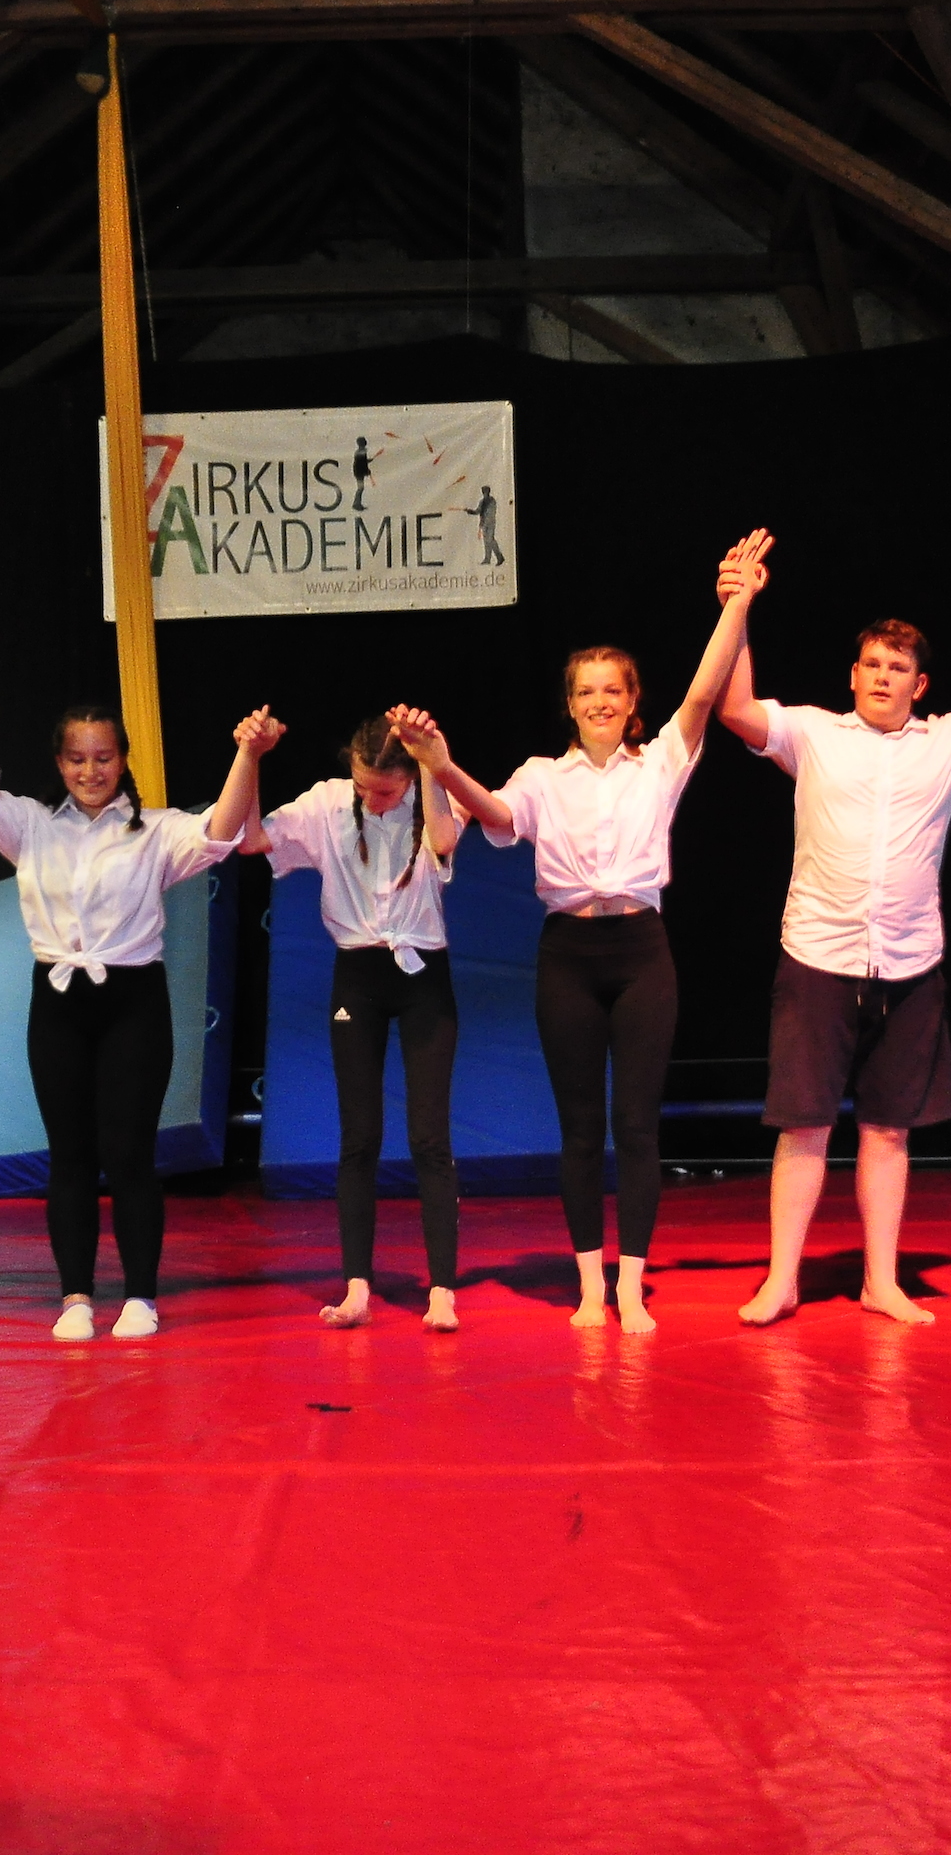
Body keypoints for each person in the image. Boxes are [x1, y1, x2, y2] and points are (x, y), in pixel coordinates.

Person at [393, 530, 769, 1333]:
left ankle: (632, 1285)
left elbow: (704, 692)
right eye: (586, 691)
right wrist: (441, 764)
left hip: (642, 954)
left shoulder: (661, 761)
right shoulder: (541, 776)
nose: (600, 701)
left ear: (632, 701)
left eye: (613, 690)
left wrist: (737, 603)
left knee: (636, 1124)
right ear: (569, 703)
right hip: (568, 955)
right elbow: (492, 814)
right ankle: (591, 1286)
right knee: (579, 1128)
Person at [718, 559, 951, 1328]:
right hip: (817, 958)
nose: (882, 676)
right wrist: (737, 607)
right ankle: (782, 1279)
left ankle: (881, 1280)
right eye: (872, 664)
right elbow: (735, 707)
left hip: (909, 965)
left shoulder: (949, 742)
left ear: (920, 684)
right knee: (805, 1125)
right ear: (853, 675)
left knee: (887, 1128)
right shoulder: (813, 733)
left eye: (897, 667)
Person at [0, 682, 279, 1340]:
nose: (90, 771)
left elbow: (221, 832)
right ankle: (75, 1295)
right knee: (69, 1154)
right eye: (76, 758)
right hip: (58, 1005)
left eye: (103, 758)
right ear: (59, 762)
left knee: (129, 1154)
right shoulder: (32, 825)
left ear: (123, 760)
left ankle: (140, 1297)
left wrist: (248, 754)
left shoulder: (154, 830)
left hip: (133, 1004)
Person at [246, 714, 465, 1331]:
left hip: (423, 975)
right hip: (358, 977)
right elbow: (251, 840)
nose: (372, 799)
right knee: (359, 1137)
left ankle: (442, 1290)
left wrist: (432, 761)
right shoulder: (326, 803)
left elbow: (444, 839)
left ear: (409, 777)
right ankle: (357, 1288)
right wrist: (252, 757)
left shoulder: (431, 795)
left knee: (429, 1138)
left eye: (386, 791)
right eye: (363, 785)